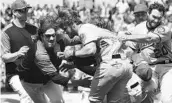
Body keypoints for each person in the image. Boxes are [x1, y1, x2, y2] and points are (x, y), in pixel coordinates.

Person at [58, 16, 133, 103]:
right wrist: (74, 65)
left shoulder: (93, 35)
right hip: (124, 70)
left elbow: (100, 68)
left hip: (130, 86)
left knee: (94, 99)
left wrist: (73, 55)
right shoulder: (110, 39)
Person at [120, 2, 172, 103]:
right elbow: (131, 49)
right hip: (150, 68)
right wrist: (133, 60)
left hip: (168, 68)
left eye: (159, 18)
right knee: (146, 92)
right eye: (154, 16)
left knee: (167, 99)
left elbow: (150, 38)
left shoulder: (164, 29)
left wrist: (127, 37)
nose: (156, 20)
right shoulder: (138, 28)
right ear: (148, 13)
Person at [1, 0, 35, 102]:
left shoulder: (34, 29)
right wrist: (17, 54)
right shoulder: (6, 32)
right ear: (14, 12)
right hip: (15, 74)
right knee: (27, 95)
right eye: (22, 10)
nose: (26, 12)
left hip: (33, 72)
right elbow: (4, 57)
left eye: (26, 10)